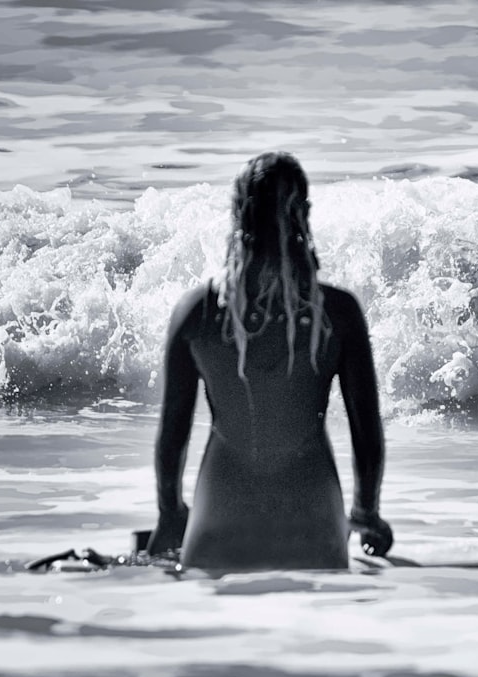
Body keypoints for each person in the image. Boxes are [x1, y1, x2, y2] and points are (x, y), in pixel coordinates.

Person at [146, 152, 393, 569]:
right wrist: (366, 515)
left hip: (217, 533)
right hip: (314, 534)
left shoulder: (198, 313)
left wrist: (171, 515)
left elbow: (172, 439)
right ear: (304, 215)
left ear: (237, 215)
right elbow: (366, 436)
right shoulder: (338, 312)